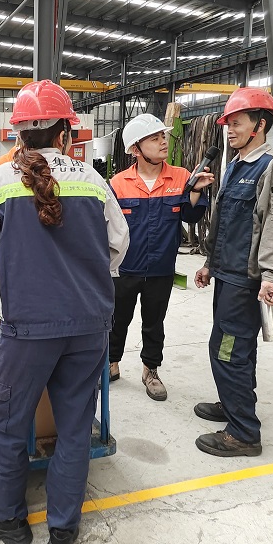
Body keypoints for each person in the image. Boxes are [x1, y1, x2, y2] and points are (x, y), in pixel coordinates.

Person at [0, 80, 130, 544]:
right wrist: (85, 278)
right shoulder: (93, 180)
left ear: (19, 135)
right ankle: (62, 534)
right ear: (64, 134)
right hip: (88, 326)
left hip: (27, 329)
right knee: (75, 427)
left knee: (10, 423)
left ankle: (7, 519)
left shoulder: (1, 181)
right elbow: (119, 245)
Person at [193, 87, 273, 458]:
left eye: (237, 123)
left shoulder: (272, 167)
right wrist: (210, 263)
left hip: (246, 282)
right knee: (236, 347)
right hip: (227, 276)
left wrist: (271, 275)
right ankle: (232, 402)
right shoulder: (236, 165)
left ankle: (244, 433)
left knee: (227, 351)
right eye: (228, 124)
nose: (230, 130)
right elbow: (224, 222)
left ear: (260, 125)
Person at [109, 113, 214, 401]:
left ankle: (150, 370)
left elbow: (191, 216)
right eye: (154, 138)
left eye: (163, 136)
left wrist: (195, 191)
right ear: (135, 149)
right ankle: (112, 363)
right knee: (117, 320)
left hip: (161, 268)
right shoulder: (118, 183)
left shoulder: (181, 177)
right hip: (124, 269)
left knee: (154, 323)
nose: (163, 141)